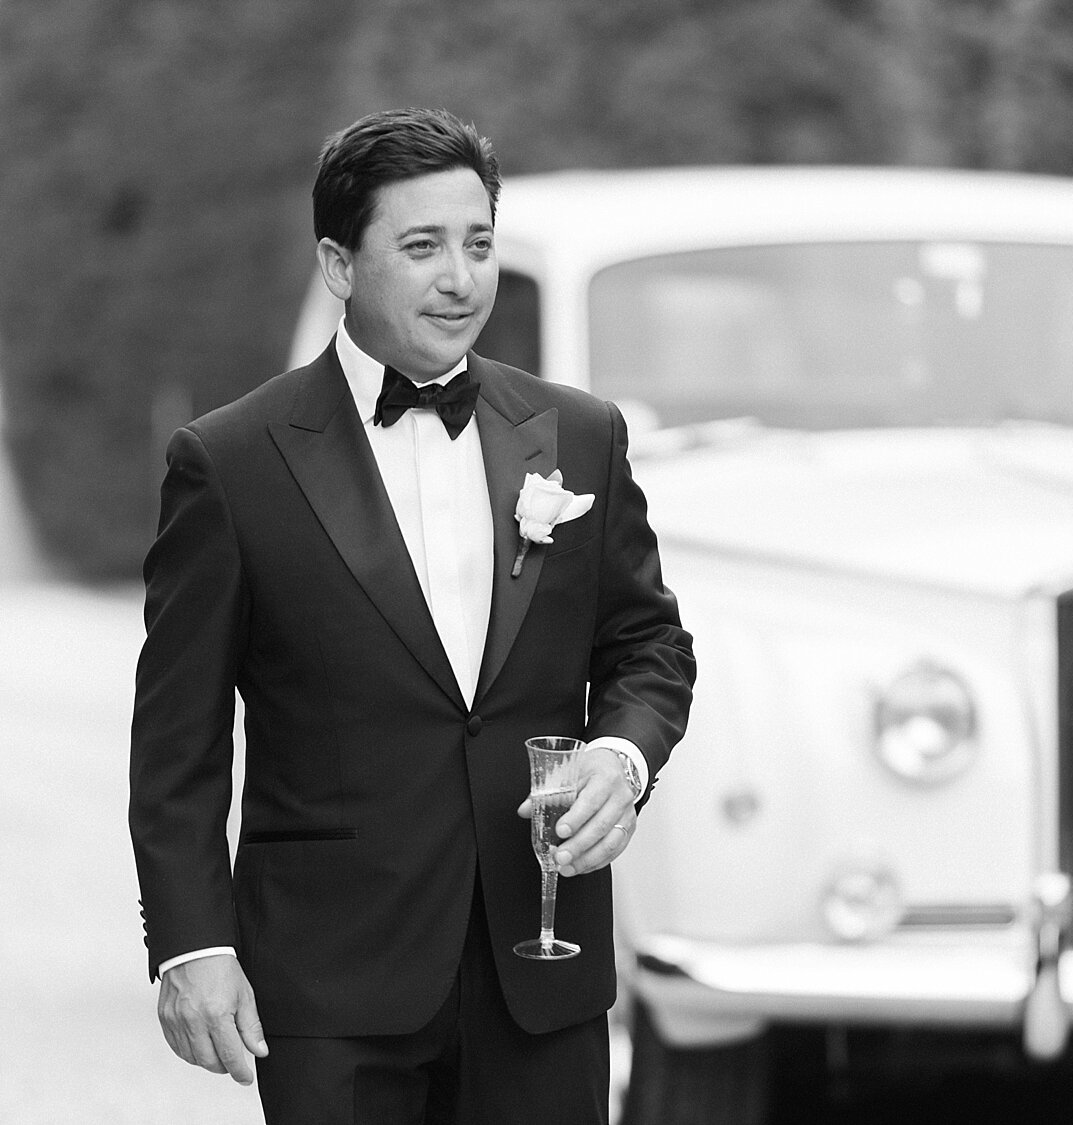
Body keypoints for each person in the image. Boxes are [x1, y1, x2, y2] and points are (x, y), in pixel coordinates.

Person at [128, 107, 695, 1123]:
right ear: (340, 265)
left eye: (477, 245)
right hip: (331, 988)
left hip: (542, 965)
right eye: (422, 246)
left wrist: (625, 757)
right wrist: (191, 943)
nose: (460, 278)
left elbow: (648, 644)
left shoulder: (579, 434)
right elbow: (179, 740)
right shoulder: (231, 462)